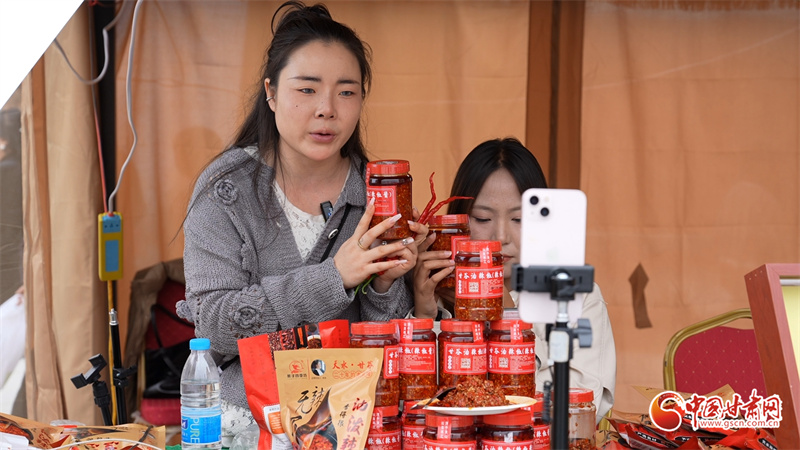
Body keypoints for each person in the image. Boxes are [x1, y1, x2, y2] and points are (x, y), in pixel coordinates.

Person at [177, 2, 426, 443]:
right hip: (249, 426)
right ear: (271, 93)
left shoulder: (380, 193)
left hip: (352, 429)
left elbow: (388, 347)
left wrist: (386, 285)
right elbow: (213, 325)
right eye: (307, 89)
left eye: (346, 92)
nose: (327, 109)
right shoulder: (226, 190)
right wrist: (335, 277)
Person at [412, 137, 616, 422]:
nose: (501, 237)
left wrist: (506, 313)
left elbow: (581, 410)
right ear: (458, 222)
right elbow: (415, 406)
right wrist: (425, 316)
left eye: (519, 219)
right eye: (483, 219)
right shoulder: (433, 290)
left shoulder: (577, 297)